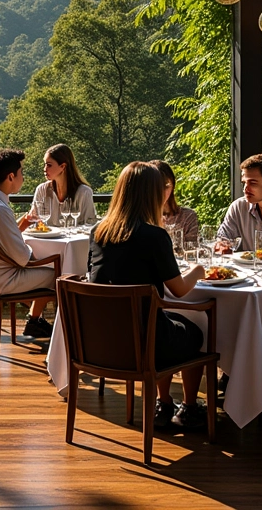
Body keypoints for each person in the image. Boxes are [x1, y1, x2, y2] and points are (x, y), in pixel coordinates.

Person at [88, 162, 207, 430]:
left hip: (103, 343)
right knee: (198, 325)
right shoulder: (154, 236)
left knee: (165, 321)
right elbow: (178, 289)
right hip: (145, 345)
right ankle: (188, 408)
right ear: (151, 194)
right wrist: (198, 271)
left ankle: (164, 403)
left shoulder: (97, 232)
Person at [0, 148, 57, 338]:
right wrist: (38, 248)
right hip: (1, 281)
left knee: (50, 273)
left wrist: (20, 226)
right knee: (59, 275)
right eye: (21, 173)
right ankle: (59, 336)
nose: (23, 177)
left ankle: (35, 320)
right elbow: (23, 258)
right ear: (10, 177)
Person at [217, 154, 262, 251]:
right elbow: (223, 239)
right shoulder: (238, 207)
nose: (245, 189)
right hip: (242, 266)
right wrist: (221, 245)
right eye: (244, 183)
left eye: (252, 183)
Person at [28, 144, 97, 227]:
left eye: (49, 165)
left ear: (63, 166)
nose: (44, 169)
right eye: (45, 164)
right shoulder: (41, 190)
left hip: (75, 239)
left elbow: (90, 224)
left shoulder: (84, 192)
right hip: (47, 239)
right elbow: (34, 221)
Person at [150, 160, 198, 241]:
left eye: (166, 186)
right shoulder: (140, 219)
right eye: (155, 187)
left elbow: (191, 250)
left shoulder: (187, 217)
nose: (160, 192)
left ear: (173, 186)